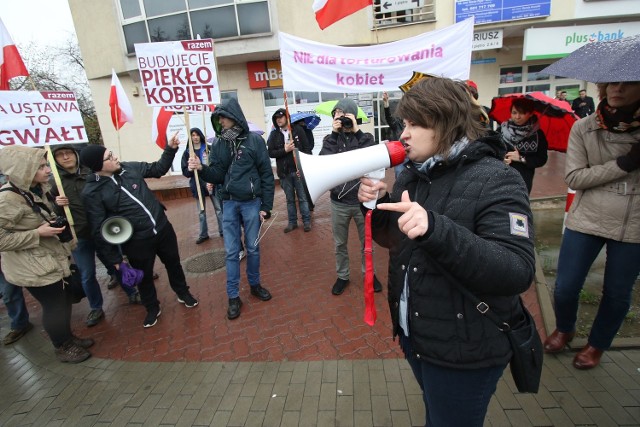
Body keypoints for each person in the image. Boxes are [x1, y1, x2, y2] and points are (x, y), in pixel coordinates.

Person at [357, 77, 536, 426]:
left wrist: (436, 229)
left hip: (466, 348)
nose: (403, 134)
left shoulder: (497, 178)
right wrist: (378, 206)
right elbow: (399, 241)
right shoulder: (413, 175)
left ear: (445, 121)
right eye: (403, 124)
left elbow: (517, 270)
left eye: (414, 124)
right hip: (419, 334)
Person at [544, 81, 640, 370]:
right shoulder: (584, 127)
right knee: (565, 287)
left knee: (617, 292)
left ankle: (597, 345)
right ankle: (564, 328)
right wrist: (625, 163)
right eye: (612, 83)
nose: (617, 89)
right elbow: (574, 178)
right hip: (586, 218)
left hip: (633, 223)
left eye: (628, 83)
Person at [80, 139, 199, 328]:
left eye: (112, 153)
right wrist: (115, 260)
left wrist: (171, 149)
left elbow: (158, 169)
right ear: (97, 167)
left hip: (162, 229)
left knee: (174, 264)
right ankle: (152, 307)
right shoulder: (91, 192)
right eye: (109, 157)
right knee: (144, 276)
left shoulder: (129, 168)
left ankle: (183, 293)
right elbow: (99, 229)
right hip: (137, 241)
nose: (115, 157)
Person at [0, 146, 94, 363]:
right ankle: (62, 346)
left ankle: (68, 338)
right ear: (24, 170)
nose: (48, 170)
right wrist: (37, 233)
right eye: (41, 167)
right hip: (32, 267)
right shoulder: (7, 200)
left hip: (49, 259)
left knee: (64, 301)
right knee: (55, 306)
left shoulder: (35, 189)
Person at [188, 98, 274, 320]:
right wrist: (202, 168)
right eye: (219, 118)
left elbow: (266, 174)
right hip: (228, 203)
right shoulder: (219, 144)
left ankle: (255, 285)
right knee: (231, 252)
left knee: (253, 249)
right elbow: (216, 174)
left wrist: (266, 206)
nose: (221, 121)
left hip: (252, 203)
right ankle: (233, 296)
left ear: (234, 116)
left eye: (224, 117)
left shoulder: (255, 141)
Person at [320, 97, 382, 295]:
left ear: (353, 116)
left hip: (362, 201)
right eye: (336, 114)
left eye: (344, 114)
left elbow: (372, 157)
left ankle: (369, 275)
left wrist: (356, 131)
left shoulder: (365, 138)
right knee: (340, 243)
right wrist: (333, 134)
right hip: (339, 202)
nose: (340, 118)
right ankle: (342, 276)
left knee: (367, 243)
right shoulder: (330, 140)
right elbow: (323, 164)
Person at [267, 108, 312, 233]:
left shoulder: (297, 130)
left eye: (281, 117)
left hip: (298, 171)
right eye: (276, 118)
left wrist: (303, 167)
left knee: (302, 198)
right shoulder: (274, 134)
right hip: (284, 172)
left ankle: (306, 221)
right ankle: (292, 222)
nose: (279, 120)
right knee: (290, 199)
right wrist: (284, 150)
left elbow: (307, 149)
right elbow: (270, 152)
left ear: (286, 117)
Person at [500, 97, 549, 195]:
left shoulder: (537, 135)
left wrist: (521, 158)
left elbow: (541, 159)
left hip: (523, 181)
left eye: (522, 113)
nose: (517, 117)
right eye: (514, 113)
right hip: (501, 179)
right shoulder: (502, 130)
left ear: (530, 114)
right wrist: (501, 158)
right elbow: (491, 151)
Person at [181, 127, 219, 244]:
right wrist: (189, 168)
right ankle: (204, 234)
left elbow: (216, 165)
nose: (195, 137)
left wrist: (212, 177)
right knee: (201, 212)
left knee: (218, 208)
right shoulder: (188, 152)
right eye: (193, 135)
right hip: (197, 184)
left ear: (201, 136)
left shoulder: (208, 148)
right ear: (190, 137)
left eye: (197, 135)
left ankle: (223, 230)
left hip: (211, 182)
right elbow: (185, 172)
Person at [1, 256, 33, 345]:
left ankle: (20, 324)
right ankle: (20, 324)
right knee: (8, 294)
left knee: (9, 294)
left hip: (8, 259)